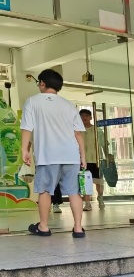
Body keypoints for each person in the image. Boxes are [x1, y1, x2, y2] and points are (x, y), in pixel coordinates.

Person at [21, 69, 86, 238]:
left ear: (42, 83)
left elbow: (27, 127)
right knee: (74, 192)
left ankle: (43, 227)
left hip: (47, 155)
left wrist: (24, 150)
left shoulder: (32, 102)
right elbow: (78, 134)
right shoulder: (69, 105)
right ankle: (78, 228)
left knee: (44, 191)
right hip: (71, 155)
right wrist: (83, 157)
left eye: (38, 83)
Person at [79, 109, 105, 210]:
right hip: (83, 160)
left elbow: (104, 145)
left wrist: (107, 157)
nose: (84, 118)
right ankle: (87, 203)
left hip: (96, 159)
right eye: (82, 116)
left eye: (86, 115)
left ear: (90, 117)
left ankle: (100, 197)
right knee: (84, 182)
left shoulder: (97, 130)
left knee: (99, 181)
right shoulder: (77, 131)